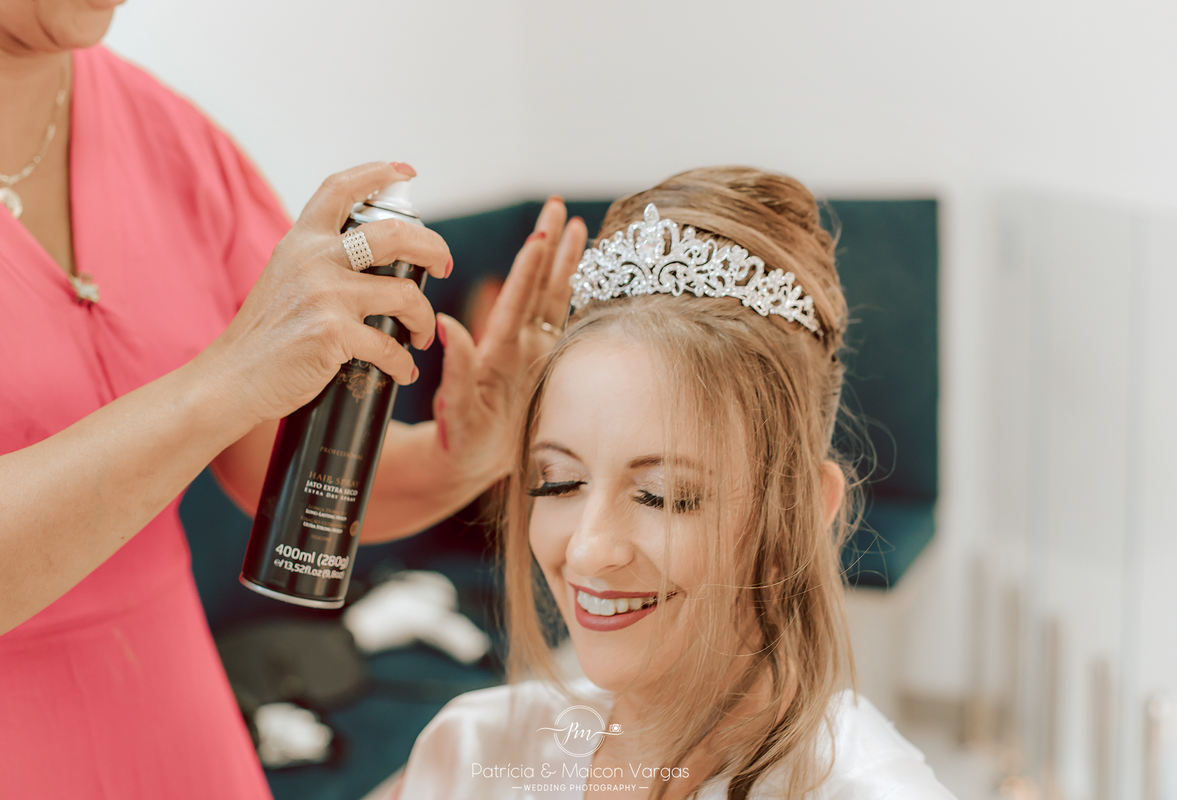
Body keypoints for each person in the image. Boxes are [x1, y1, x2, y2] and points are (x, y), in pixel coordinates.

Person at [0, 2, 586, 798]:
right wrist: (225, 381)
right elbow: (238, 384)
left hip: (181, 727)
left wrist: (462, 453)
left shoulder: (173, 139)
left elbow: (289, 481)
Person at [384, 168, 958, 799]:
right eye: (559, 482)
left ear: (802, 509)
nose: (587, 551)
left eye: (664, 495)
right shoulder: (471, 751)